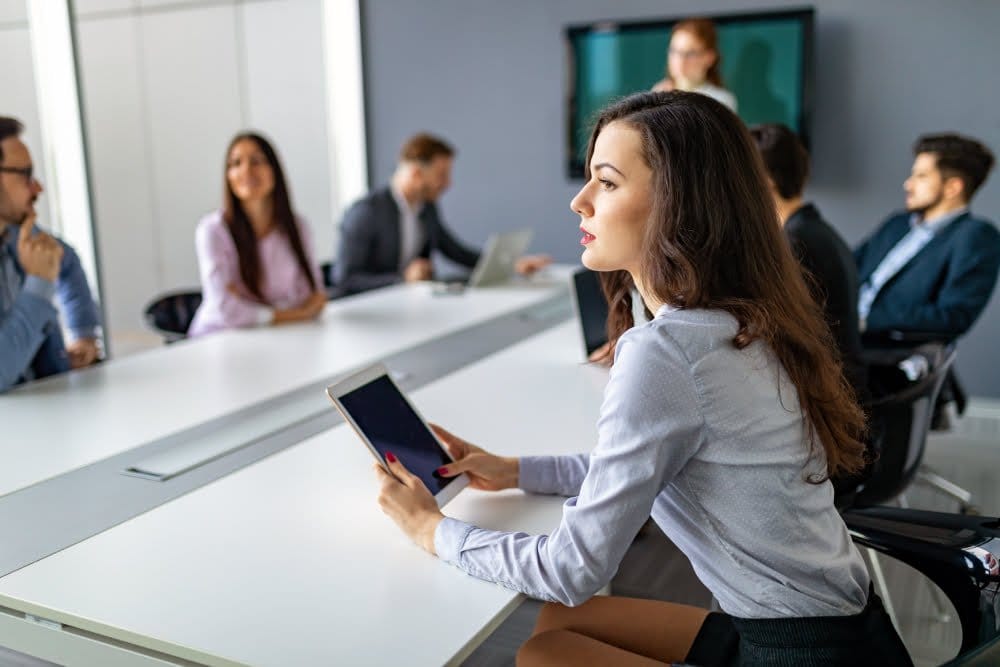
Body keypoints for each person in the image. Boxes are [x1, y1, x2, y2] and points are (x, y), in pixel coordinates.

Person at [372, 92, 911, 665]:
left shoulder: (669, 352)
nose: (579, 202)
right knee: (558, 624)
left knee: (544, 656)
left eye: (606, 183)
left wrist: (434, 531)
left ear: (680, 204)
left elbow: (570, 569)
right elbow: (654, 467)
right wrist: (513, 471)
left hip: (801, 652)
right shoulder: (743, 317)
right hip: (848, 626)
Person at [333, 133, 550, 295]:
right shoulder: (366, 212)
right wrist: (401, 279)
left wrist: (512, 263)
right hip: (375, 313)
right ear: (416, 173)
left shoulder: (426, 208)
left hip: (409, 306)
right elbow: (344, 280)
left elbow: (454, 250)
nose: (448, 183)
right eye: (441, 175)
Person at [749, 123, 867, 402]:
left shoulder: (796, 242)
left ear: (766, 181)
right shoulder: (814, 230)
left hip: (827, 395)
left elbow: (787, 335)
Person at [855, 133, 999, 341]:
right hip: (837, 335)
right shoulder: (897, 224)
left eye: (921, 176)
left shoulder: (975, 236)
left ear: (952, 188)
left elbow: (954, 316)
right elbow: (847, 268)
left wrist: (864, 319)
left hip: (884, 351)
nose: (908, 184)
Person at [188, 132, 326, 337]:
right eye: (235, 163)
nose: (246, 170)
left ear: (274, 170)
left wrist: (250, 308)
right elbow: (226, 309)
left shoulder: (297, 226)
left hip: (277, 337)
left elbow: (313, 295)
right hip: (218, 338)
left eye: (256, 161)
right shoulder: (213, 231)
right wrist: (291, 314)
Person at [1, 116, 102, 392]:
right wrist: (39, 282)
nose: (38, 188)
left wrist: (84, 333)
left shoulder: (15, 235)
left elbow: (65, 260)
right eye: (26, 175)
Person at [651, 18, 737, 112]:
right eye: (674, 51)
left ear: (710, 57)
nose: (680, 60)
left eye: (691, 53)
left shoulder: (721, 100)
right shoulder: (658, 93)